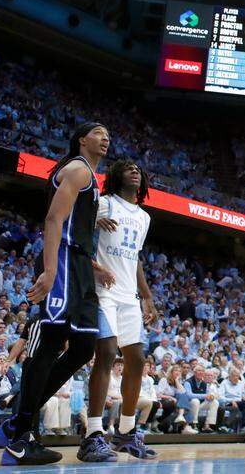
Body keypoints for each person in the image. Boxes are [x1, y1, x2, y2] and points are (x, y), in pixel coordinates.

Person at [0, 120, 110, 466]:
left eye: (109, 135)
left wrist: (93, 266)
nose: (105, 138)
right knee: (52, 342)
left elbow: (76, 226)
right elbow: (53, 220)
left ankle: (17, 423)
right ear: (81, 139)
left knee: (84, 348)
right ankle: (18, 437)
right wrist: (49, 270)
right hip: (62, 265)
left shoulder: (90, 178)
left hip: (80, 268)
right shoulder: (76, 169)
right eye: (98, 132)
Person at [80, 159, 159, 461]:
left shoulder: (144, 217)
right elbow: (77, 235)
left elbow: (135, 259)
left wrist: (147, 296)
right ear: (115, 176)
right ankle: (92, 434)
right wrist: (94, 267)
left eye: (138, 168)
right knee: (108, 352)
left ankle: (126, 433)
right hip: (103, 292)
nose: (135, 170)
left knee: (137, 360)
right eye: (127, 168)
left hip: (129, 296)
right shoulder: (104, 203)